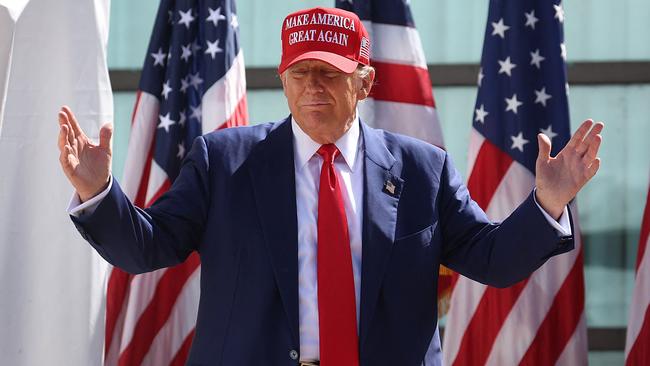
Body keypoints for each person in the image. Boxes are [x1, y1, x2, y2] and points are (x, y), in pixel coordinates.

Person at [58, 7, 603, 366]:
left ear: (365, 80)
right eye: (301, 72)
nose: (314, 86)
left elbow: (492, 260)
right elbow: (147, 246)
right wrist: (99, 193)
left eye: (331, 72)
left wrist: (547, 203)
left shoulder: (421, 170)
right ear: (282, 78)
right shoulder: (224, 162)